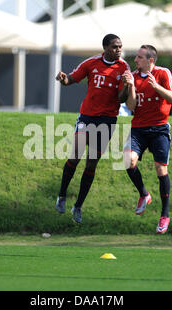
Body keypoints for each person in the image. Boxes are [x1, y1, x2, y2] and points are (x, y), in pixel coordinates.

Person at [54, 34, 131, 223]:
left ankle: (78, 206)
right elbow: (70, 80)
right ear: (105, 47)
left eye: (120, 46)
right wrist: (63, 78)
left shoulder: (124, 68)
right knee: (75, 155)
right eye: (115, 47)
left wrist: (128, 86)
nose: (119, 50)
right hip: (87, 117)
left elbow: (121, 99)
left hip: (107, 120)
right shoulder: (91, 63)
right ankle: (62, 195)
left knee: (91, 164)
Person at [122, 45, 172, 234]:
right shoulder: (134, 77)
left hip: (160, 128)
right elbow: (131, 106)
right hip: (138, 128)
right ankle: (144, 194)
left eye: (139, 57)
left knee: (161, 170)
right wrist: (130, 86)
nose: (135, 60)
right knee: (128, 161)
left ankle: (165, 215)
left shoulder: (163, 73)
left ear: (150, 60)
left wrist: (156, 87)